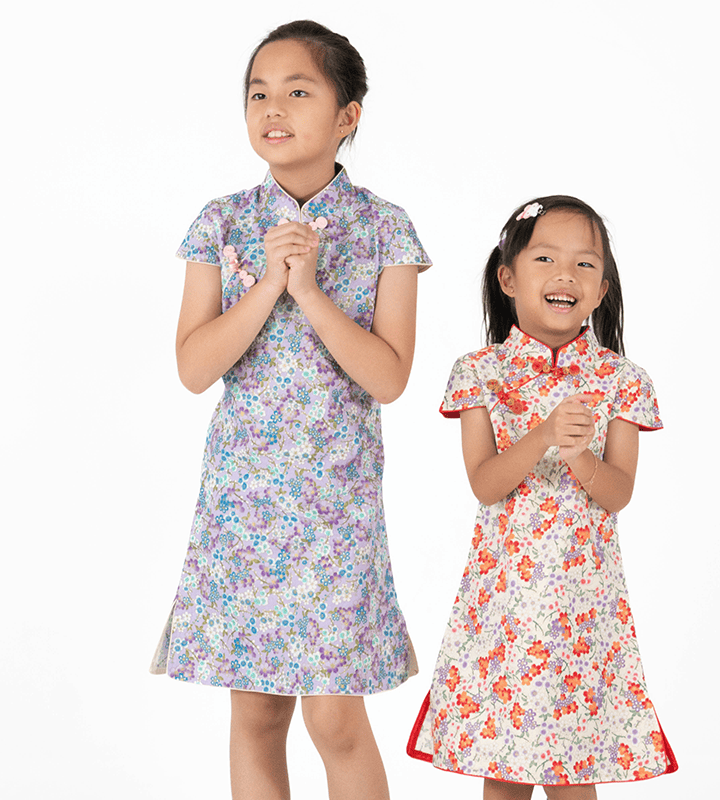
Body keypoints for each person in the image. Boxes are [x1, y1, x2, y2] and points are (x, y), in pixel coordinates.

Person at [150, 20, 430, 800]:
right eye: (258, 94)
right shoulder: (221, 222)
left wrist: (308, 291)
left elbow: (389, 377)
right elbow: (194, 367)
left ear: (348, 115)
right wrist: (270, 283)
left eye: (298, 91)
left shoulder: (386, 228)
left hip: (337, 507)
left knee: (336, 720)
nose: (273, 109)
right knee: (258, 713)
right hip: (244, 507)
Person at [406, 197, 677, 798]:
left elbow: (618, 493)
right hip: (503, 610)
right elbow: (485, 483)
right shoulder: (480, 372)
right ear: (508, 278)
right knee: (503, 772)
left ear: (602, 289)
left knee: (573, 776)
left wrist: (580, 456)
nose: (565, 275)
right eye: (546, 259)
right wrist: (544, 436)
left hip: (583, 613)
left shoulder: (622, 380)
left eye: (585, 264)